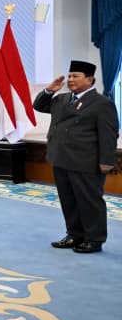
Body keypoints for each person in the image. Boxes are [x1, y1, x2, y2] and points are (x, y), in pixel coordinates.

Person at [33, 60, 119, 254]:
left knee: (89, 201)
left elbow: (109, 135)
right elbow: (39, 105)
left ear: (90, 80)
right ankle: (74, 234)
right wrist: (49, 90)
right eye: (70, 76)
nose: (71, 79)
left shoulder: (102, 103)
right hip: (60, 158)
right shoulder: (62, 99)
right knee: (68, 200)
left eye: (75, 76)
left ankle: (94, 239)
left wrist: (106, 161)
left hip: (85, 161)